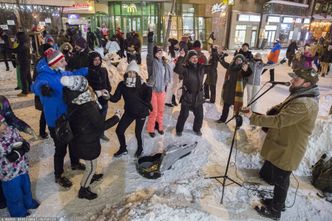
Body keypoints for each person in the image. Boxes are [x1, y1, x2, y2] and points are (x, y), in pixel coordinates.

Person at [242, 68, 320, 220]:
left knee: (281, 179)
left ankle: (275, 210)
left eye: (297, 79)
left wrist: (253, 117)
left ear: (307, 84)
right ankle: (278, 202)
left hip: (289, 148)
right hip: (284, 143)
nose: (292, 80)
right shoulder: (301, 95)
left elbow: (278, 121)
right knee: (280, 178)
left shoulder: (304, 103)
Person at [31, 48, 88, 188]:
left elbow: (72, 74)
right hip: (55, 120)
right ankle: (59, 175)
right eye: (62, 61)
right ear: (54, 63)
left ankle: (74, 163)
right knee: (61, 148)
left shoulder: (59, 72)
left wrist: (87, 69)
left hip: (68, 115)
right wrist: (42, 89)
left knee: (73, 142)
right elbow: (35, 85)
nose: (65, 62)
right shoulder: (44, 75)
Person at [61, 76, 120, 200]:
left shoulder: (74, 99)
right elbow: (100, 126)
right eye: (87, 86)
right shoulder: (88, 107)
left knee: (90, 165)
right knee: (92, 166)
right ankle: (84, 189)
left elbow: (87, 96)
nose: (90, 88)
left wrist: (98, 93)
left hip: (80, 138)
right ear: (83, 89)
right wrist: (116, 118)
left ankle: (90, 176)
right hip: (87, 142)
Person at [109, 61, 152, 158]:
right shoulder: (122, 84)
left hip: (141, 113)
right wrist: (108, 96)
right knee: (119, 130)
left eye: (134, 72)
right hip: (129, 112)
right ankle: (123, 148)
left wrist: (149, 89)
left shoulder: (142, 84)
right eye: (130, 72)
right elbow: (116, 98)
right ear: (126, 73)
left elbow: (147, 99)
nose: (131, 74)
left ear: (137, 74)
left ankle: (140, 148)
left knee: (138, 133)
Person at [0, 115, 39, 217]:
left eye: (4, 122)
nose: (4, 126)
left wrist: (25, 144)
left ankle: (28, 202)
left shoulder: (11, 130)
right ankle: (18, 212)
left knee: (26, 186)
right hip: (8, 173)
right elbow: (6, 157)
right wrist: (12, 155)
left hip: (22, 167)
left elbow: (19, 139)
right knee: (14, 194)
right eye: (1, 124)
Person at [175, 50, 208, 136]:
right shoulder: (186, 68)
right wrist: (181, 57)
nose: (195, 59)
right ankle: (179, 130)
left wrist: (215, 54)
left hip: (198, 97)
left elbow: (212, 67)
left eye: (196, 57)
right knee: (184, 115)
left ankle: (197, 129)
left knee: (200, 115)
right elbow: (177, 69)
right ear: (189, 59)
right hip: (187, 96)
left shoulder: (201, 67)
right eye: (193, 58)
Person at [216, 53, 252, 123]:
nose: (238, 61)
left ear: (242, 61)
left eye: (240, 60)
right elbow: (223, 63)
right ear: (234, 60)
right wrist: (222, 57)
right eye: (237, 59)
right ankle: (222, 119)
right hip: (228, 90)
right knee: (226, 106)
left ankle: (238, 123)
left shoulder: (243, 70)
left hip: (236, 93)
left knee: (237, 109)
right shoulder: (230, 66)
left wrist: (247, 69)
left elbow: (248, 73)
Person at [87, 51, 112, 141]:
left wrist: (108, 92)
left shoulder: (103, 70)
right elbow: (87, 88)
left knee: (102, 118)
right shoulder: (88, 72)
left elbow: (108, 84)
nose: (97, 62)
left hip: (104, 100)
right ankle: (92, 135)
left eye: (99, 59)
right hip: (94, 101)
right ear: (91, 61)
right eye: (95, 60)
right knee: (93, 119)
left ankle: (101, 133)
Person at [146, 46, 171, 137]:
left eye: (161, 51)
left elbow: (167, 75)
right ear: (154, 53)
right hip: (153, 90)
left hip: (162, 90)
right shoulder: (152, 62)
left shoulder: (164, 63)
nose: (160, 53)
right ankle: (150, 128)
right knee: (154, 111)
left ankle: (159, 126)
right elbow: (149, 55)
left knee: (161, 110)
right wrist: (150, 41)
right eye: (157, 51)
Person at [10, 31, 32, 97]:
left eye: (17, 37)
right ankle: (30, 89)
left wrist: (9, 49)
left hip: (24, 62)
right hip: (27, 61)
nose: (16, 38)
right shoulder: (25, 42)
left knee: (23, 77)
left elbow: (17, 50)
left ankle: (25, 92)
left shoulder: (23, 44)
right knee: (28, 77)